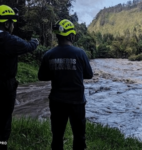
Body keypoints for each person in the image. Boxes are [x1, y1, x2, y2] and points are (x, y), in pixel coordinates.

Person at [38, 19, 93, 150]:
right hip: (77, 101)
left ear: (57, 36)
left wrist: (57, 72)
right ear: (71, 35)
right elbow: (89, 75)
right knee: (79, 136)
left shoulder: (48, 55)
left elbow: (41, 77)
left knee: (57, 136)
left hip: (57, 101)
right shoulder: (80, 53)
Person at [0, 5, 39, 150]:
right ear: (6, 23)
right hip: (5, 86)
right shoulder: (9, 40)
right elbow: (29, 47)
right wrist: (35, 42)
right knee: (4, 120)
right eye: (12, 23)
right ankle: (2, 144)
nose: (13, 25)